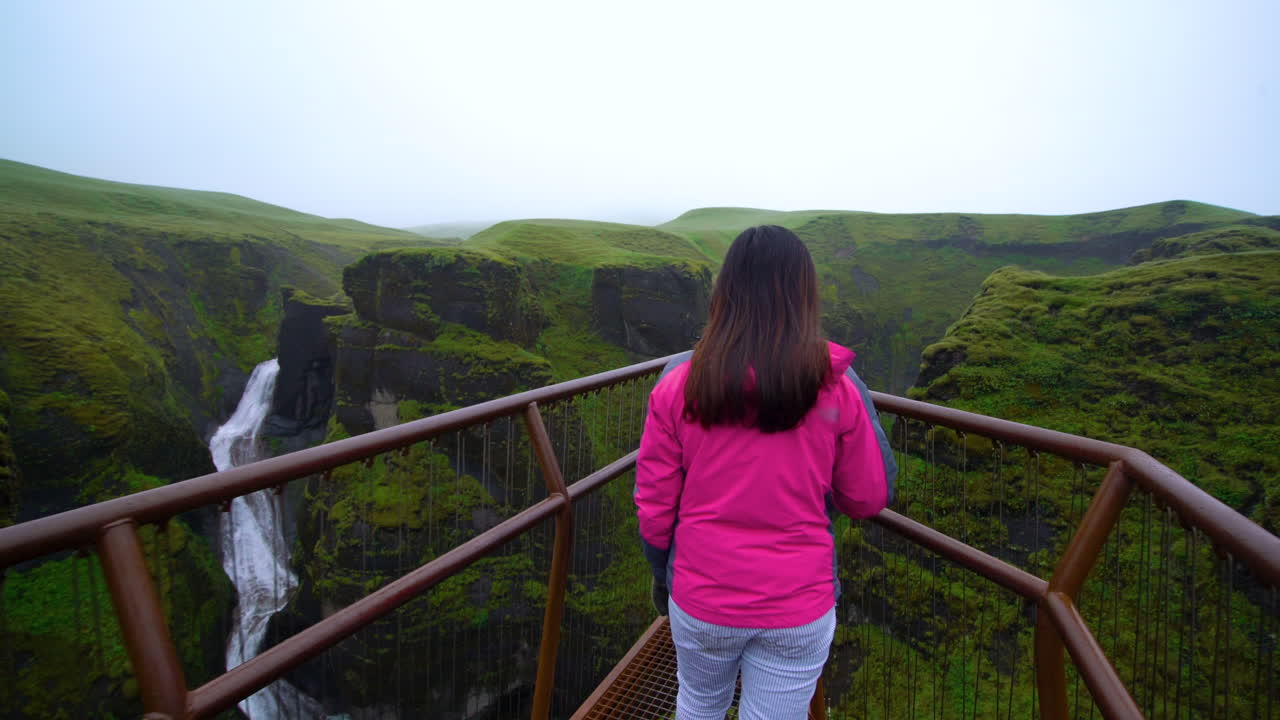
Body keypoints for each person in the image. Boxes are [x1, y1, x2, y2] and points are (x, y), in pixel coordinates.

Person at [634, 224, 897, 720]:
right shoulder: (836, 385)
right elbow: (866, 496)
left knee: (698, 706)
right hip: (797, 601)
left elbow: (654, 508)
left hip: (702, 595)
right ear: (804, 294)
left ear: (725, 293)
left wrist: (663, 576)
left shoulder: (677, 384)